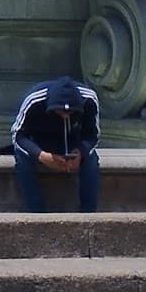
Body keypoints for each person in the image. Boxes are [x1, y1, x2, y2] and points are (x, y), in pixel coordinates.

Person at [12, 76, 101, 213]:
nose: (65, 115)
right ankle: (37, 213)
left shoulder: (89, 100)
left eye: (70, 112)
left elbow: (92, 134)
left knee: (91, 161)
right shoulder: (34, 100)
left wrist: (81, 152)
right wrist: (41, 155)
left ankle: (88, 213)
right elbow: (18, 135)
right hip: (40, 141)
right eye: (60, 111)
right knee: (22, 159)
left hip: (73, 142)